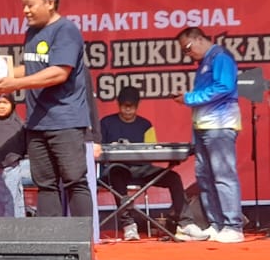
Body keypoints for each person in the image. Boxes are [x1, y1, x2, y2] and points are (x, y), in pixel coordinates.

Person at [0, 0, 92, 221]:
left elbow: (58, 72)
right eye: (23, 5)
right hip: (36, 123)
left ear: (50, 3)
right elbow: (32, 68)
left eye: (30, 5)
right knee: (45, 184)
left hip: (65, 121)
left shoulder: (66, 30)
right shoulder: (32, 32)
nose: (25, 11)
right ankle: (51, 238)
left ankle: (82, 239)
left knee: (74, 180)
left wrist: (15, 85)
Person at [173, 27, 244, 244]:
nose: (187, 54)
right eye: (184, 51)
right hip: (203, 126)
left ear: (199, 39)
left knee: (223, 176)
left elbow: (224, 87)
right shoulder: (204, 63)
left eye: (188, 48)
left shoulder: (220, 57)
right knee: (205, 178)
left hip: (219, 125)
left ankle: (233, 226)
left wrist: (189, 98)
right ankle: (216, 224)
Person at [99, 86, 193, 241]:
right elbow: (98, 149)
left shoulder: (146, 125)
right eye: (124, 106)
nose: (127, 110)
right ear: (118, 104)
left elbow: (152, 150)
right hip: (116, 169)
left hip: (142, 169)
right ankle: (129, 225)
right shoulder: (106, 123)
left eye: (131, 107)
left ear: (138, 106)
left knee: (174, 178)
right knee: (117, 173)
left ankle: (186, 223)